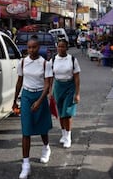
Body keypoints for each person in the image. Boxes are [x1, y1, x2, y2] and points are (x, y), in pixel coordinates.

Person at [13, 35, 53, 179]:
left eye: (34, 47)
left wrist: (40, 101)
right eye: (29, 47)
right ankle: (26, 165)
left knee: (42, 128)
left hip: (39, 96)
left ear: (39, 47)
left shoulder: (45, 64)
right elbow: (19, 82)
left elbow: (47, 84)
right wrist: (14, 100)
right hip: (26, 96)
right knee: (26, 130)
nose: (31, 50)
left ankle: (46, 147)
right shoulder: (22, 62)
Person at [51, 39, 81, 149]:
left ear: (67, 48)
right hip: (58, 87)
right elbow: (50, 77)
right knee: (61, 113)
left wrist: (77, 94)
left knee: (67, 113)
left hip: (70, 87)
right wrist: (49, 91)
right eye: (59, 46)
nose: (61, 48)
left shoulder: (72, 60)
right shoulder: (53, 59)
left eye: (63, 46)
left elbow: (77, 78)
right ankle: (63, 134)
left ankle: (68, 137)